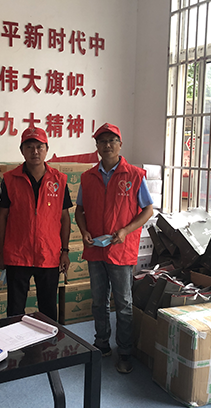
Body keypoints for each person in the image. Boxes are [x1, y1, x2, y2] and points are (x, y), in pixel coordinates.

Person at [75, 123, 154, 374]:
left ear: (120, 144)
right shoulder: (88, 177)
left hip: (121, 248)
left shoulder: (135, 175)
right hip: (95, 249)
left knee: (123, 302)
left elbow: (148, 210)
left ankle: (125, 352)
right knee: (99, 301)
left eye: (112, 140)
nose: (107, 145)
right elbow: (79, 210)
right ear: (97, 146)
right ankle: (101, 343)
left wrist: (125, 231)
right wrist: (84, 231)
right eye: (102, 141)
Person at [0, 127, 72, 321]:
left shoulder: (59, 180)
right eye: (29, 147)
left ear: (47, 149)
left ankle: (49, 341)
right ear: (22, 150)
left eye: (39, 147)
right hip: (17, 255)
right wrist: (2, 252)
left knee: (48, 309)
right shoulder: (10, 179)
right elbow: (2, 216)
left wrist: (65, 251)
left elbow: (64, 218)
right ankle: (14, 340)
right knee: (15, 309)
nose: (35, 151)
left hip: (48, 254)